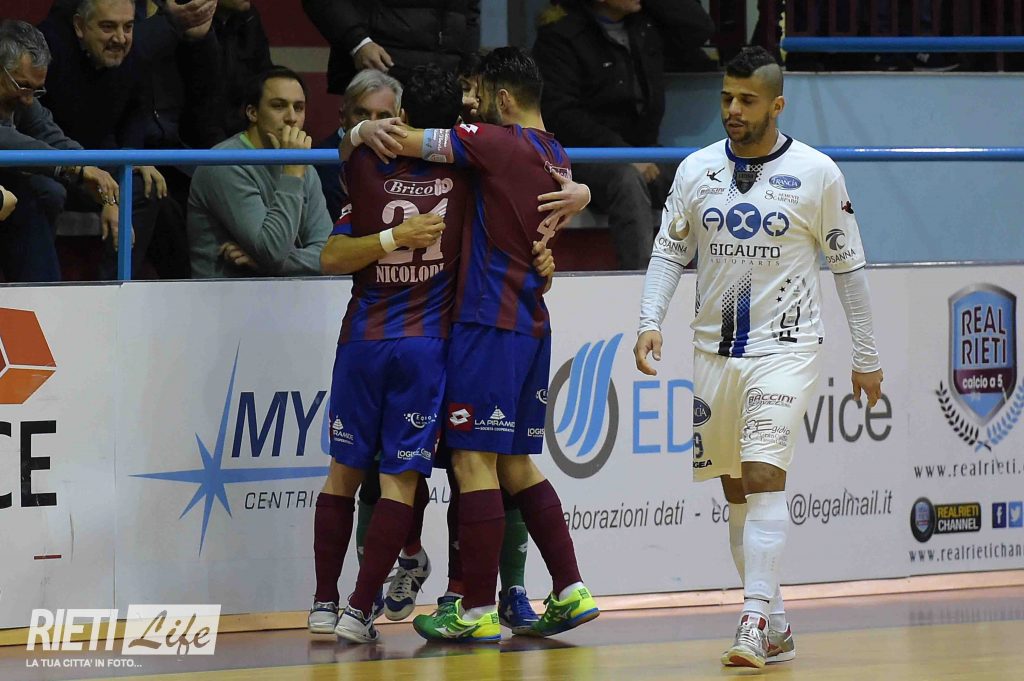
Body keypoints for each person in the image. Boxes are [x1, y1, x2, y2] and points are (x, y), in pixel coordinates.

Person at [632, 46, 884, 669]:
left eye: (747, 100)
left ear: (777, 105)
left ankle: (749, 622)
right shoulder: (695, 169)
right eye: (726, 97)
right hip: (714, 352)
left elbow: (849, 268)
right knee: (736, 488)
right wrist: (649, 322)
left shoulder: (818, 172)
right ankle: (776, 624)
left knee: (765, 472)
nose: (733, 109)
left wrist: (867, 355)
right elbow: (668, 252)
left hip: (787, 349)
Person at [316, 63, 578, 643]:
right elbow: (543, 197)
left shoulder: (458, 158)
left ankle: (470, 602)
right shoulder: (510, 163)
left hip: (467, 331)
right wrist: (577, 197)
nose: (471, 104)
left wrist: (357, 134)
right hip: (502, 327)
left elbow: (331, 245)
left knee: (448, 467)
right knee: (500, 464)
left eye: (476, 94)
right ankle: (554, 587)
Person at [532, 0, 712, 270]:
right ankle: (642, 281)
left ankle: (710, 276)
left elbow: (699, 28)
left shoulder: (646, 24)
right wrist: (623, 153)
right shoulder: (560, 35)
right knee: (627, 182)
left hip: (644, 150)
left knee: (699, 175)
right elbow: (562, 115)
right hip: (590, 156)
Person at [0, 19, 119, 282]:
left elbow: (49, 133)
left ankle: (39, 293)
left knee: (49, 191)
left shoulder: (22, 94)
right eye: (22, 86)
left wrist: (93, 172)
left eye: (36, 90)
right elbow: (5, 140)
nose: (28, 99)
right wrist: (73, 168)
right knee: (32, 194)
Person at [187, 67, 331, 277]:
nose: (291, 117)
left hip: (288, 292)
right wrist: (292, 173)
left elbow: (329, 255)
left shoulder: (302, 166)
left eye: (299, 108)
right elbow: (272, 251)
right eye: (278, 106)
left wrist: (267, 263)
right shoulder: (224, 163)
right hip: (226, 293)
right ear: (252, 113)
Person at [300, 0, 480, 94]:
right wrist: (358, 42)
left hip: (446, 84)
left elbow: (468, 12)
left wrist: (470, 66)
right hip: (381, 74)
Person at [314, 69, 403, 222]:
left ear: (399, 120)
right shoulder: (319, 165)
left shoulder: (405, 160)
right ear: (343, 117)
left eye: (383, 116)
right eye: (362, 114)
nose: (372, 124)